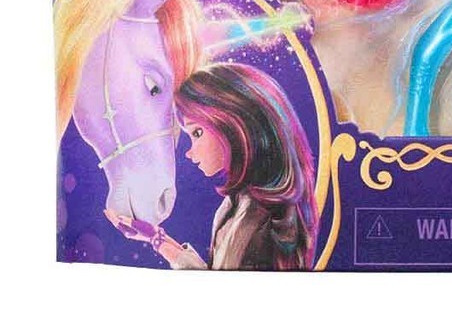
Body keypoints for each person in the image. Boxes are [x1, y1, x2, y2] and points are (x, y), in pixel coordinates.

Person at [112, 62, 318, 270]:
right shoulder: (242, 203)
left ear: (234, 124)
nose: (189, 153)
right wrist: (156, 238)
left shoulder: (260, 224)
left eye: (197, 133)